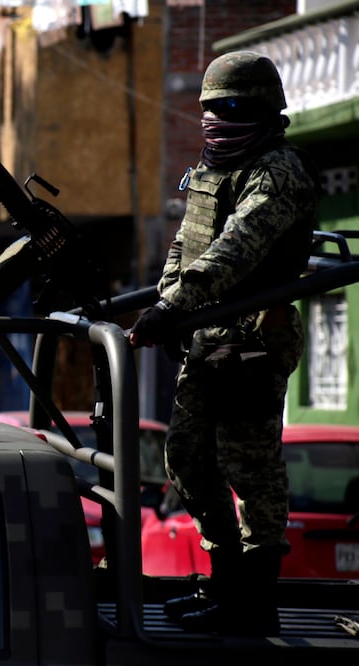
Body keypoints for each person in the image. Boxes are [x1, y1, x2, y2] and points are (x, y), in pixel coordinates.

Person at [129, 51, 319, 636]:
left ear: (262, 110)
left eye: (230, 108)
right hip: (209, 335)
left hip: (256, 340)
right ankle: (224, 585)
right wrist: (167, 303)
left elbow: (234, 250)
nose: (215, 121)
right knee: (186, 459)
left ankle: (251, 601)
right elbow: (185, 246)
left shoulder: (277, 171)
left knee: (249, 469)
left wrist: (173, 309)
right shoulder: (212, 168)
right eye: (209, 109)